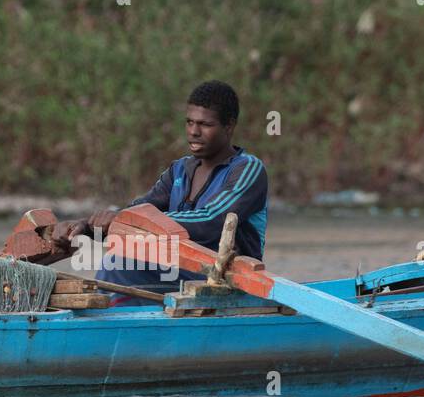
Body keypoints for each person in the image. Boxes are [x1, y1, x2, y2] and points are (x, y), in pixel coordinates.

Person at [52, 80, 268, 302]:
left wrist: (124, 220)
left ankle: (106, 328)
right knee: (120, 260)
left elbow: (212, 220)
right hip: (180, 271)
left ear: (229, 126)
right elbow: (141, 209)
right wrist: (86, 226)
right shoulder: (179, 170)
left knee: (117, 264)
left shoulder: (248, 169)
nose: (194, 132)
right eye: (189, 122)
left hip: (229, 281)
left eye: (205, 124)